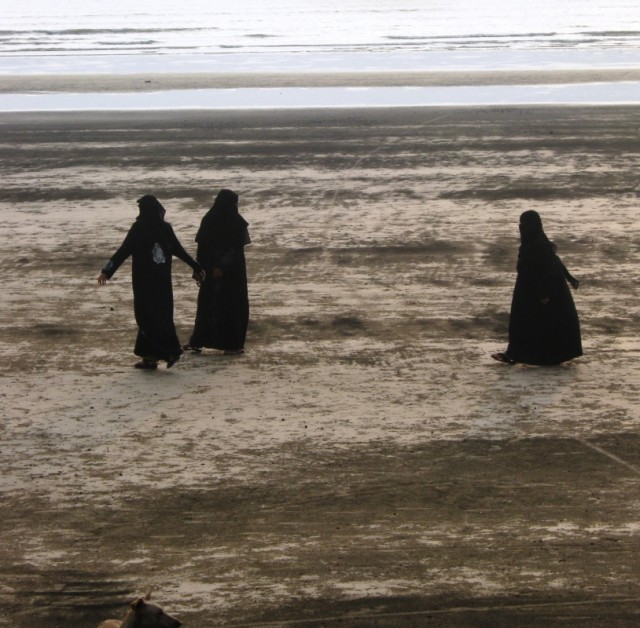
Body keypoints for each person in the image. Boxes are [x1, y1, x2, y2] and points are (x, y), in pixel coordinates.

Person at [98, 195, 204, 369]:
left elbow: (124, 250)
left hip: (144, 282)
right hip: (162, 282)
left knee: (145, 317)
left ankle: (171, 351)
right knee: (162, 315)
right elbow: (179, 250)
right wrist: (196, 267)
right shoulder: (165, 228)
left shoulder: (139, 228)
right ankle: (150, 358)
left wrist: (106, 271)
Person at [492, 210, 582, 366]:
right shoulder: (538, 243)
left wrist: (543, 294)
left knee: (532, 324)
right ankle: (516, 354)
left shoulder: (537, 246)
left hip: (537, 293)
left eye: (524, 224)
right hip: (533, 290)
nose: (521, 228)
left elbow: (544, 271)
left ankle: (518, 355)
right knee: (532, 325)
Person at [184, 189, 250, 355]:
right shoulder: (227, 221)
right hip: (222, 271)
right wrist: (199, 270)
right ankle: (200, 341)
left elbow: (235, 249)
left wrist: (218, 267)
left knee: (223, 307)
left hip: (226, 272)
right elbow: (204, 247)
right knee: (212, 307)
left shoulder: (218, 220)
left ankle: (231, 344)